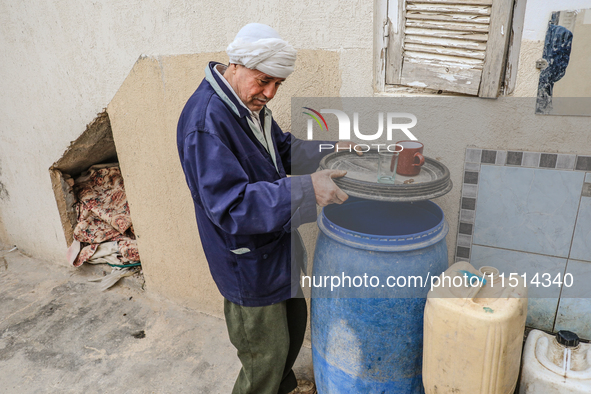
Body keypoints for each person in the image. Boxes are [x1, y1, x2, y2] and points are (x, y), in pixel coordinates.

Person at [176, 23, 353, 394]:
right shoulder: (207, 123)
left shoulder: (244, 105)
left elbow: (282, 150)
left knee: (289, 334)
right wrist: (307, 188)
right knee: (264, 360)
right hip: (248, 263)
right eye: (263, 81)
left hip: (275, 252)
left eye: (278, 85)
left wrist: (336, 148)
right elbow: (232, 205)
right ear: (236, 65)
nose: (269, 93)